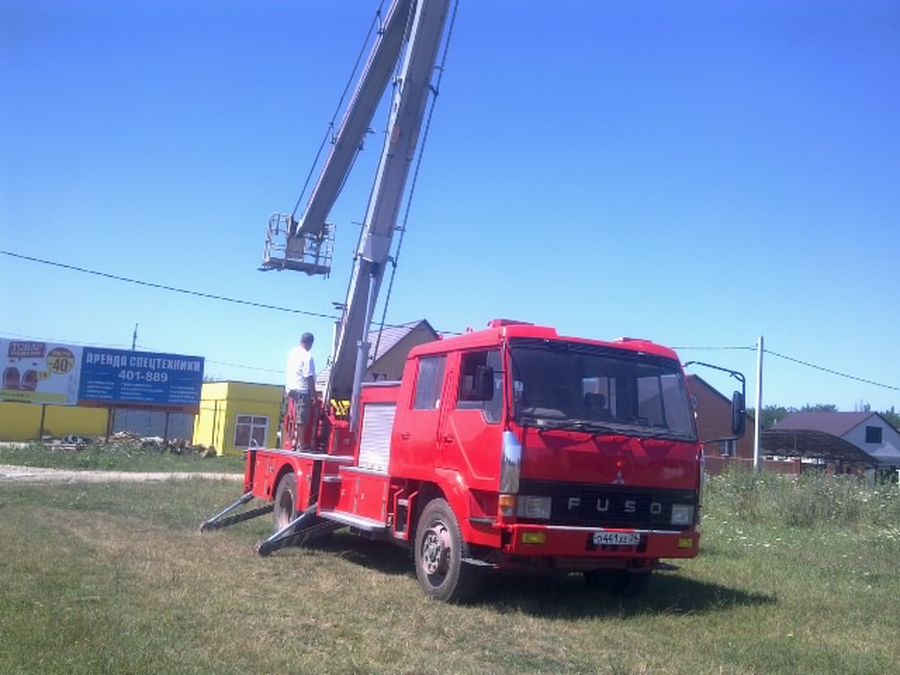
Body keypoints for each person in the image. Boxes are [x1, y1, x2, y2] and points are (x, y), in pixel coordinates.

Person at [285, 332, 316, 450]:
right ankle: (301, 444)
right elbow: (308, 376)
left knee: (294, 416)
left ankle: (294, 440)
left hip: (291, 388)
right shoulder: (307, 356)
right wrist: (313, 394)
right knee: (302, 418)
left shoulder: (292, 353)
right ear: (310, 343)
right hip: (302, 389)